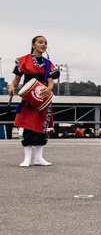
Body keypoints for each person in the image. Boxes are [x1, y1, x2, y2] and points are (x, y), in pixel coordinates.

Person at [7, 36, 58, 167]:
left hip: (43, 98)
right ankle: (27, 158)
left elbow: (51, 82)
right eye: (40, 42)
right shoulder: (23, 60)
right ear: (33, 45)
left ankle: (39, 158)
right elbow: (17, 79)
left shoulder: (48, 64)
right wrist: (12, 86)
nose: (44, 45)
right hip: (29, 98)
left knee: (42, 127)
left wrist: (49, 88)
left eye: (46, 43)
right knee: (28, 127)